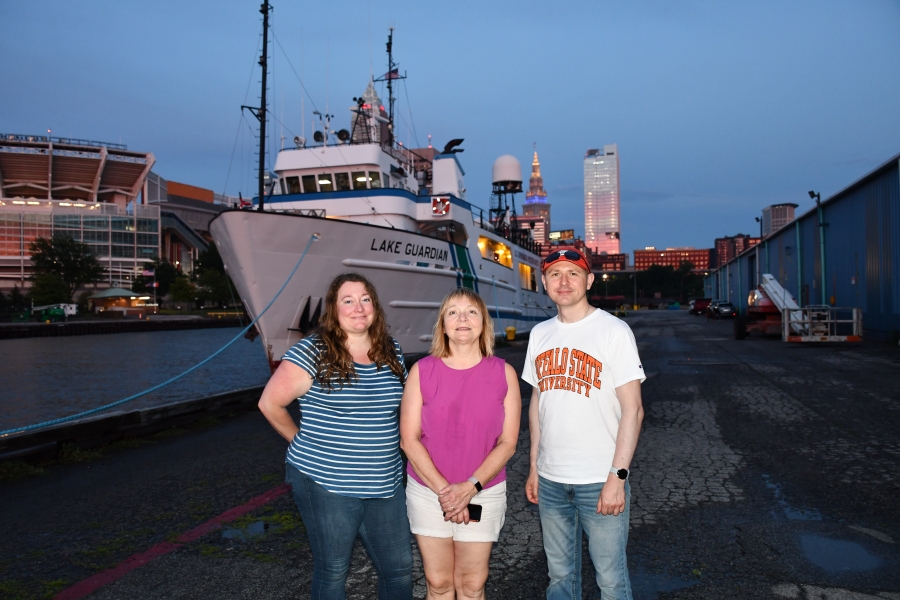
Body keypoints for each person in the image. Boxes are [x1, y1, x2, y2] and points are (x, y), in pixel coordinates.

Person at [258, 273, 413, 600]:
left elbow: (407, 408)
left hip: (384, 482)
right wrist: (301, 441)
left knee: (398, 571)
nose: (358, 308)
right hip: (327, 483)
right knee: (333, 571)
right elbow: (270, 403)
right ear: (334, 308)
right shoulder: (313, 351)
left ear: (375, 305)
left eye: (365, 299)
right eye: (348, 301)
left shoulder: (391, 351)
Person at [522, 248, 645, 600]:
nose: (564, 281)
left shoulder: (613, 331)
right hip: (551, 481)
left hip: (599, 479)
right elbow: (538, 405)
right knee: (559, 578)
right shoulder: (540, 334)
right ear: (544, 282)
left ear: (589, 281)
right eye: (555, 274)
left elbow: (633, 410)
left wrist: (617, 478)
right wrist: (534, 467)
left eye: (573, 274)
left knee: (611, 581)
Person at [400, 288, 521, 599]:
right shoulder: (421, 371)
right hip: (428, 492)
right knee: (438, 584)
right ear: (443, 324)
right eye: (453, 311)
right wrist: (446, 492)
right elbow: (409, 440)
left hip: (484, 492)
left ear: (484, 324)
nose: (462, 318)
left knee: (471, 585)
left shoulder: (504, 374)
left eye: (471, 311)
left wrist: (469, 488)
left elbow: (507, 443)